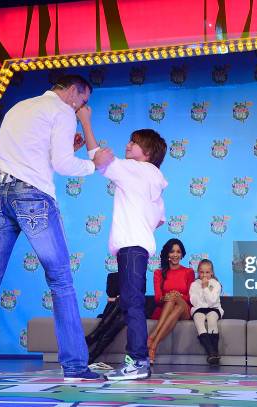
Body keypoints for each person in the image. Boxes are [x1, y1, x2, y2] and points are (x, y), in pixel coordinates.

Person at [0, 75, 113, 382]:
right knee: (61, 279)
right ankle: (76, 367)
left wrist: (67, 147)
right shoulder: (63, 111)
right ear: (73, 90)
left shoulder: (20, 107)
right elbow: (62, 166)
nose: (82, 107)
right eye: (84, 100)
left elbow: (33, 157)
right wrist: (95, 164)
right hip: (32, 198)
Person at [80, 113, 168, 381]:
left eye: (134, 142)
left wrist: (85, 121)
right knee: (132, 304)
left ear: (148, 152)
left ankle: (138, 362)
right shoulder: (154, 178)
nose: (128, 145)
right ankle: (138, 362)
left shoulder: (137, 170)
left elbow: (99, 157)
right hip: (137, 248)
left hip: (131, 248)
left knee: (132, 305)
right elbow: (159, 220)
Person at [148, 238, 195, 363]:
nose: (175, 255)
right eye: (172, 252)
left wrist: (178, 296)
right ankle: (153, 347)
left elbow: (191, 297)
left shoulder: (189, 272)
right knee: (173, 300)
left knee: (175, 299)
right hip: (166, 309)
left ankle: (153, 336)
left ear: (182, 254)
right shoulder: (158, 273)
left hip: (185, 308)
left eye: (178, 252)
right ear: (167, 254)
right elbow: (158, 298)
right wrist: (166, 297)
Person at [189, 259, 224, 365]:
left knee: (211, 319)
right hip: (199, 309)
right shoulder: (194, 284)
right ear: (198, 272)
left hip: (214, 308)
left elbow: (212, 301)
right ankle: (211, 353)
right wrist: (201, 289)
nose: (204, 275)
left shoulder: (215, 284)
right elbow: (194, 302)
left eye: (207, 272)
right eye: (202, 272)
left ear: (212, 272)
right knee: (198, 320)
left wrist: (205, 288)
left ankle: (215, 352)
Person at [85, 272, 124, 365]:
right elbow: (111, 293)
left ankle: (93, 337)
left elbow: (139, 295)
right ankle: (93, 354)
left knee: (122, 304)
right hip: (120, 308)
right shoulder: (115, 276)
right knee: (120, 312)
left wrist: (117, 299)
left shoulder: (138, 275)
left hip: (133, 308)